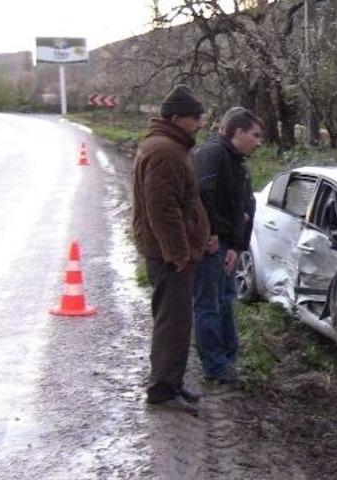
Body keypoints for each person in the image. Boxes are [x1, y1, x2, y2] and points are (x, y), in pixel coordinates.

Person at [132, 84, 210, 415]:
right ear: (177, 118)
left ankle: (172, 383)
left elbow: (183, 203)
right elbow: (162, 210)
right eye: (195, 118)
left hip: (170, 252)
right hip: (170, 256)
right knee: (172, 323)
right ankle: (163, 390)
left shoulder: (168, 146)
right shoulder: (166, 151)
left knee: (176, 320)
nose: (200, 123)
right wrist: (178, 254)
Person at [192, 107, 263, 383]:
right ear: (239, 131)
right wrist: (211, 232)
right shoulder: (212, 154)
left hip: (227, 246)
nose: (258, 142)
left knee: (225, 301)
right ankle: (215, 367)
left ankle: (228, 361)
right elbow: (202, 193)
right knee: (209, 305)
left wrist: (236, 245)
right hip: (212, 246)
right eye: (255, 135)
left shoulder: (236, 163)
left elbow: (241, 207)